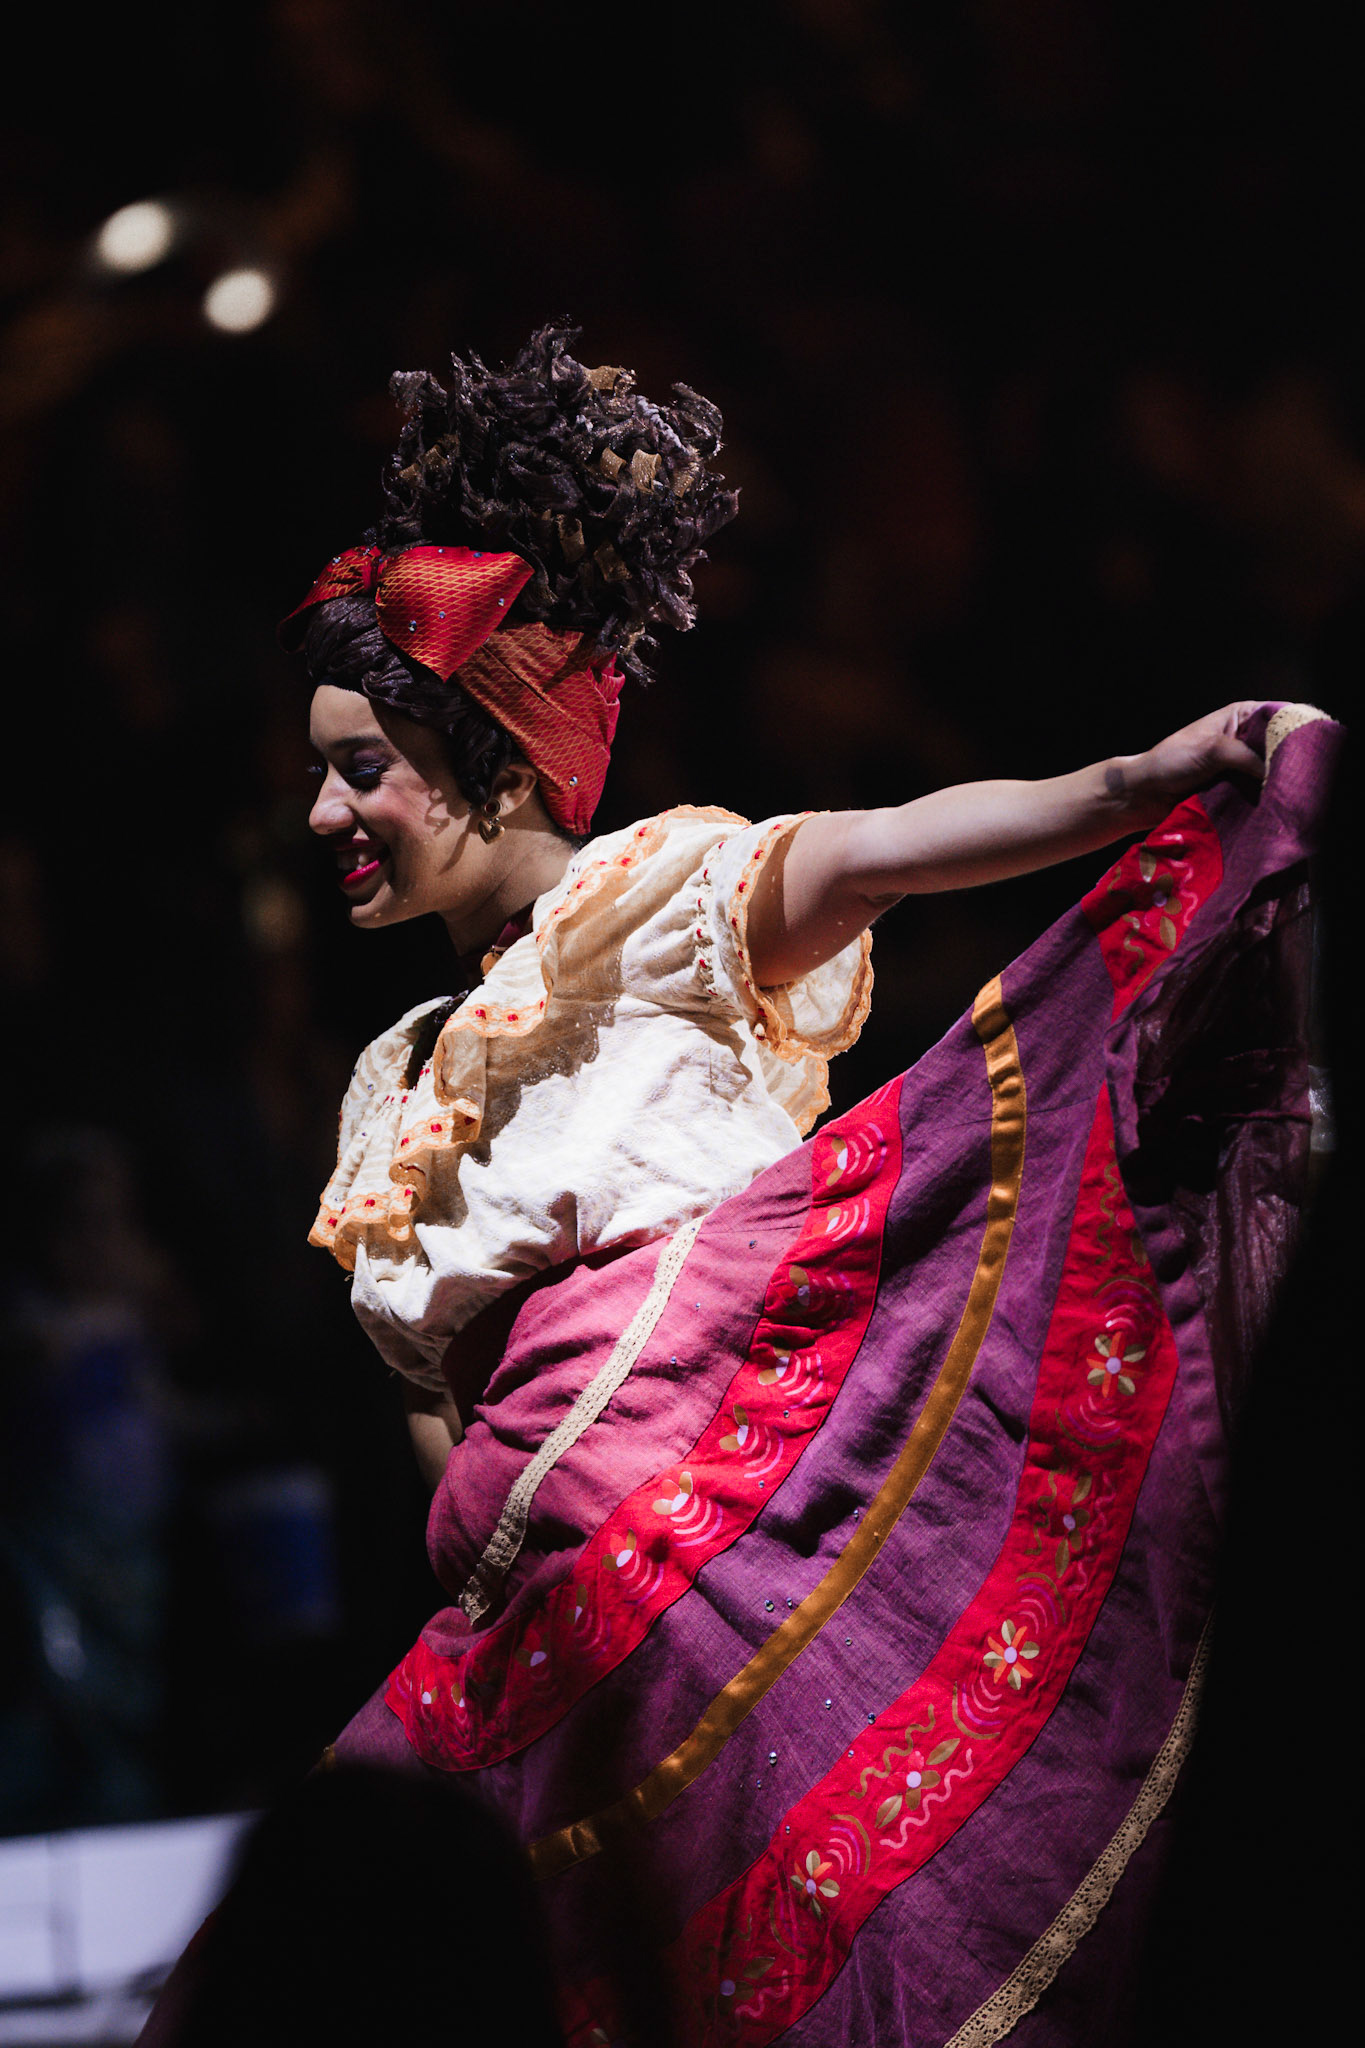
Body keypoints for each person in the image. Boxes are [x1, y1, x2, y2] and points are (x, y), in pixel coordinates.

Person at [276, 329, 1332, 2047]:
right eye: (320, 770)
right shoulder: (389, 1083)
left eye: (361, 767)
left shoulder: (655, 908)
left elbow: (892, 844)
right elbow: (439, 1412)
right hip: (552, 1656)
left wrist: (1135, 783)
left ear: (499, 758)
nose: (323, 811)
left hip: (747, 1588)